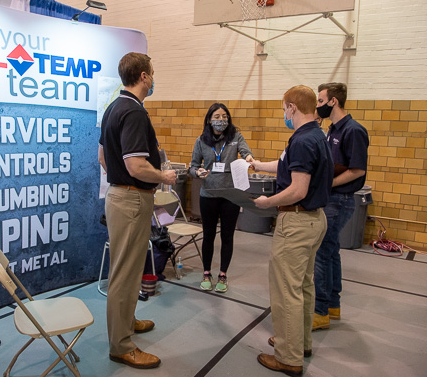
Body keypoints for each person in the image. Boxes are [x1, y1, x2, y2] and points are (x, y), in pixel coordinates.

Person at [98, 52, 177, 369]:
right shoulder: (133, 112)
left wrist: (122, 181)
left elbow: (103, 157)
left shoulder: (113, 108)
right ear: (143, 76)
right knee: (124, 274)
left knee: (129, 270)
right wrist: (163, 176)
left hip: (122, 196)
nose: (154, 78)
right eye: (152, 73)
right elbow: (135, 165)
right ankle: (121, 345)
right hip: (130, 199)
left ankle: (126, 321)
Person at [250, 85, 333, 376]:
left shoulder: (302, 140)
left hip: (296, 222)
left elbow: (298, 189)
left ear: (292, 108)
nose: (284, 113)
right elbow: (287, 165)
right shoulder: (316, 135)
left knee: (286, 291)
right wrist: (258, 164)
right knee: (303, 286)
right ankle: (300, 343)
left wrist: (267, 202)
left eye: (285, 108)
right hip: (314, 221)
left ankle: (288, 356)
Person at [312, 82, 369, 330]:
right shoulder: (332, 129)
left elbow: (357, 170)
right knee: (331, 250)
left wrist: (328, 183)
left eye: (320, 101)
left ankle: (320, 311)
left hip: (340, 199)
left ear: (333, 101)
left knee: (322, 253)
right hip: (331, 197)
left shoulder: (353, 130)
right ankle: (333, 305)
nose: (318, 106)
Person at [189, 103, 254, 293]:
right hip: (208, 194)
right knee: (208, 235)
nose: (221, 120)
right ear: (209, 120)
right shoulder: (201, 140)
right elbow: (192, 166)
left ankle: (223, 275)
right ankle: (206, 273)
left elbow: (246, 152)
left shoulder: (235, 137)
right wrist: (197, 172)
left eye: (224, 117)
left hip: (230, 196)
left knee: (227, 236)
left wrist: (249, 158)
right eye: (217, 117)